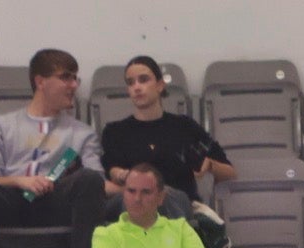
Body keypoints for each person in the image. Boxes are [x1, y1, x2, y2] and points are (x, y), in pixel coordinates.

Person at [0, 48, 106, 248]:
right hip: (11, 201)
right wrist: (19, 181)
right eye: (66, 77)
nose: (74, 85)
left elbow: (98, 181)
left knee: (90, 180)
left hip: (56, 201)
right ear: (40, 81)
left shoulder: (82, 133)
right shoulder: (1, 126)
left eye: (75, 78)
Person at [100, 56, 235, 206]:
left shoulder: (184, 126)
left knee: (167, 197)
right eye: (131, 83)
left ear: (160, 85)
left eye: (143, 80)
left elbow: (229, 171)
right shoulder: (115, 132)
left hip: (177, 204)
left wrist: (209, 166)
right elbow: (110, 172)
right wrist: (121, 175)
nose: (136, 87)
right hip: (134, 206)